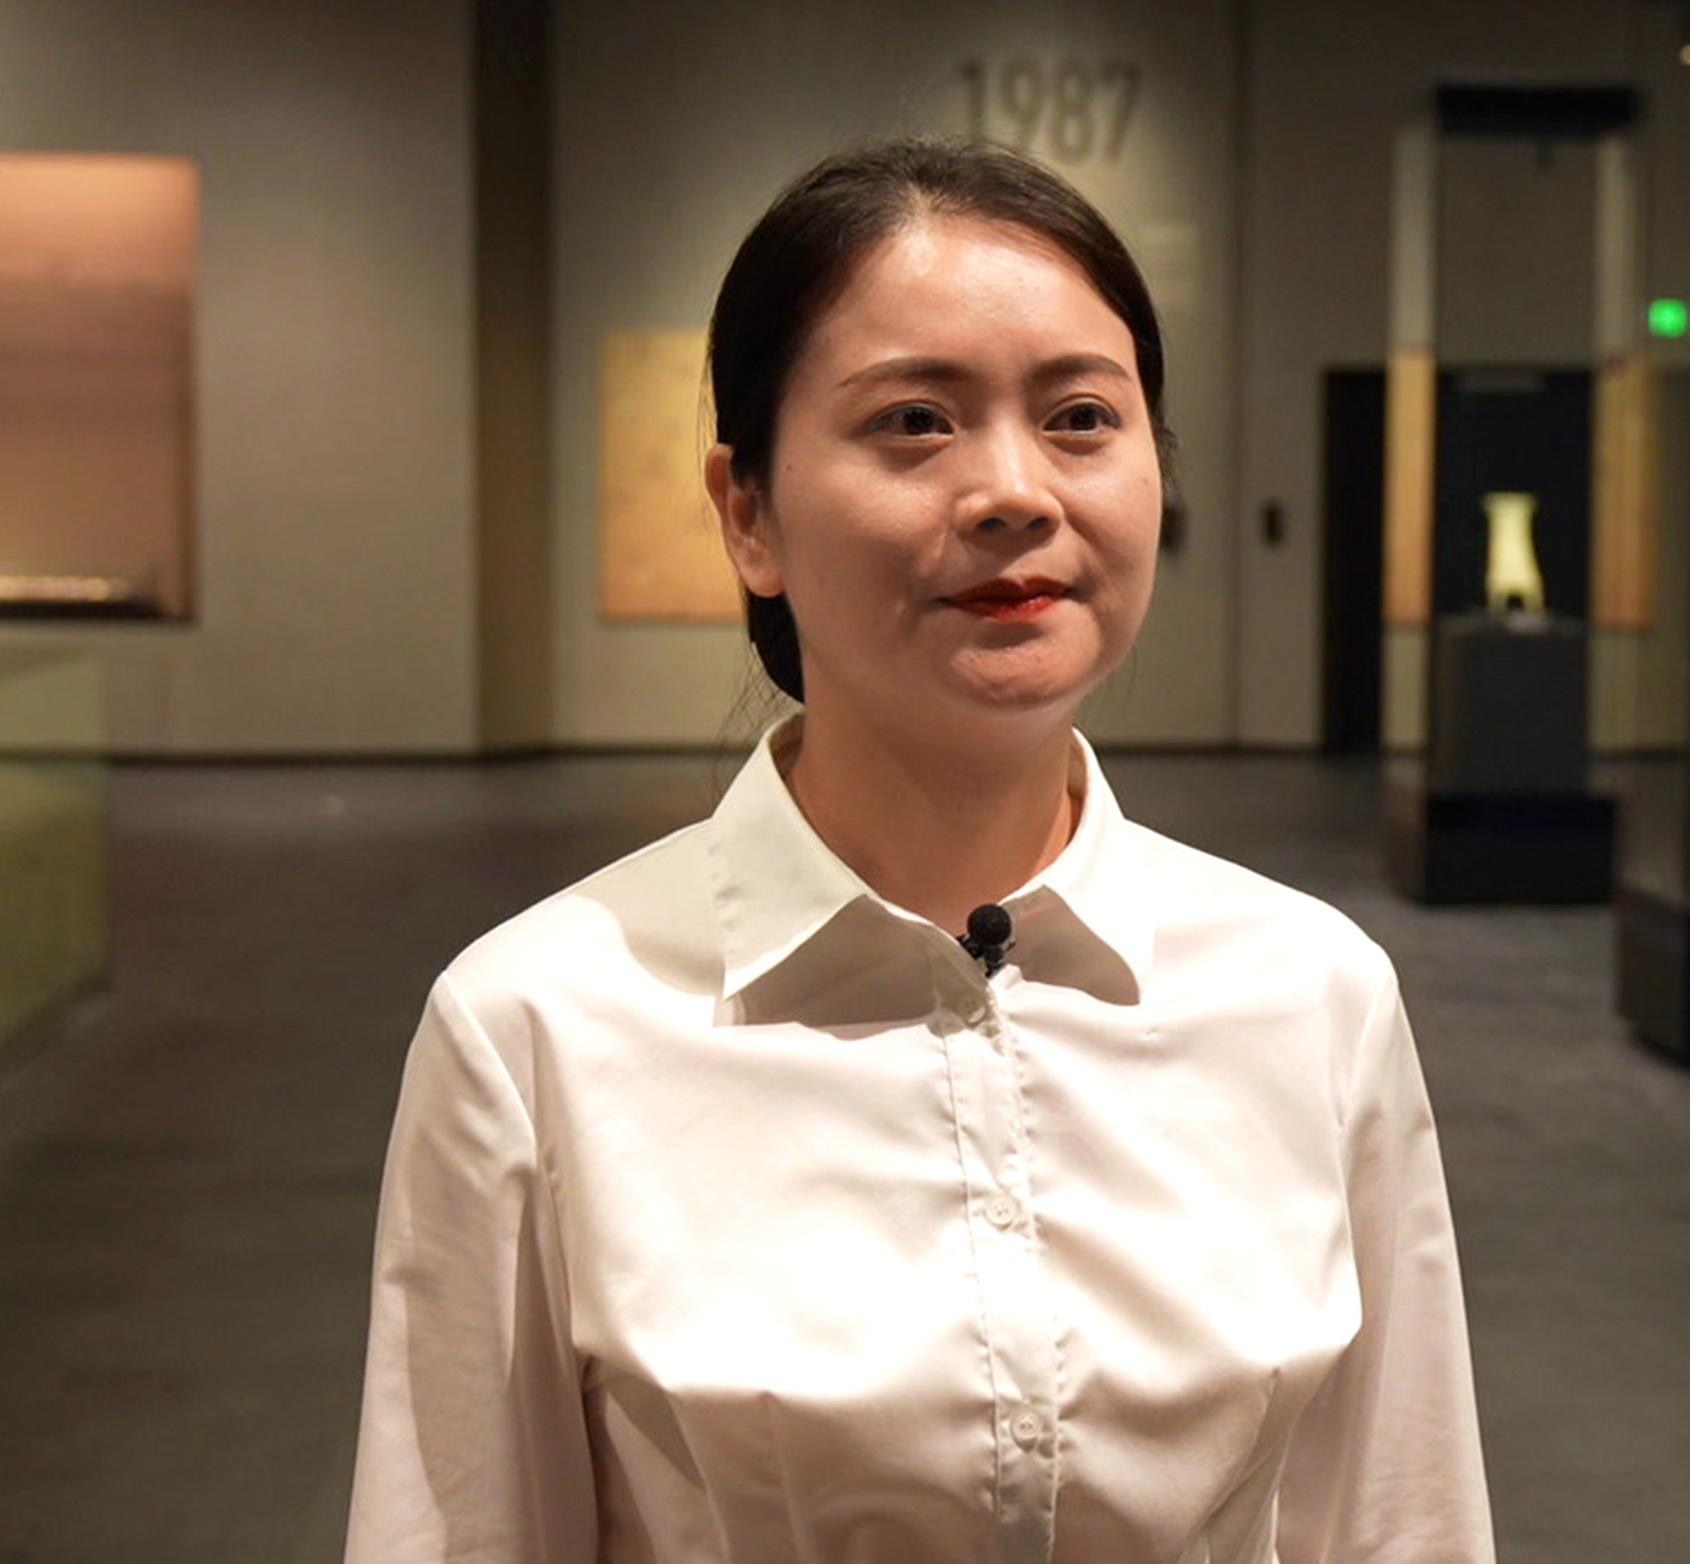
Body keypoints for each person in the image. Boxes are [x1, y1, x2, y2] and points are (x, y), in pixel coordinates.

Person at [343, 136, 1495, 1563]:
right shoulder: (537, 1030)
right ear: (748, 513)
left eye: (1081, 417)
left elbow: (1400, 1522)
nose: (1015, 490)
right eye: (914, 421)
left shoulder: (1312, 992)